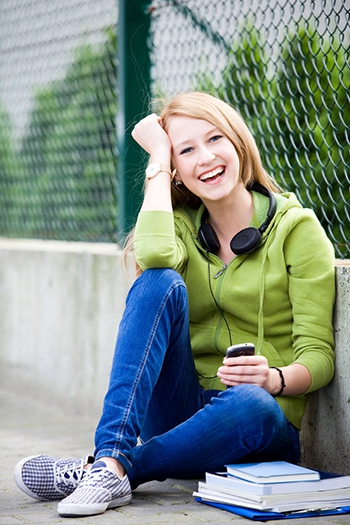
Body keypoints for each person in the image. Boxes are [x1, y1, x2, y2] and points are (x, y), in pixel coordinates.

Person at [14, 92, 335, 518]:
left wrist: (273, 378)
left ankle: (108, 468)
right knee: (157, 282)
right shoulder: (181, 227)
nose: (205, 158)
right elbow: (154, 258)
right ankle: (111, 454)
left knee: (252, 405)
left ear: (238, 142)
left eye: (215, 138)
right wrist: (158, 162)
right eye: (186, 150)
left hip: (257, 420)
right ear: (178, 171)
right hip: (179, 410)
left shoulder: (297, 229)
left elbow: (320, 356)